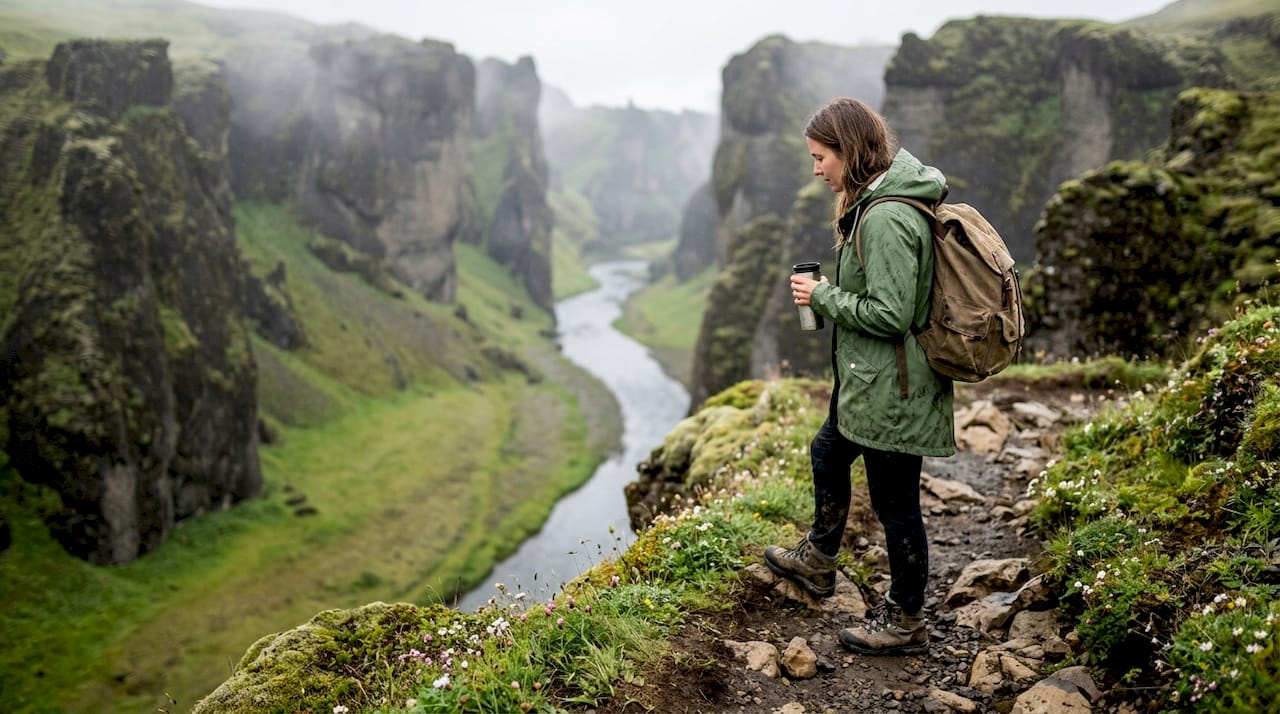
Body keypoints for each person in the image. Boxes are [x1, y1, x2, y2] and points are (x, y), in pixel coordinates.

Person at [763, 96, 955, 656]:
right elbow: (878, 297)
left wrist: (824, 295)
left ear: (849, 151)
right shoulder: (872, 201)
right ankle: (820, 562)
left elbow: (891, 314)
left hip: (894, 388)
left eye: (821, 156)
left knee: (897, 506)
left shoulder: (888, 216)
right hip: (867, 383)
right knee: (827, 452)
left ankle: (906, 620)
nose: (816, 169)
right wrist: (831, 296)